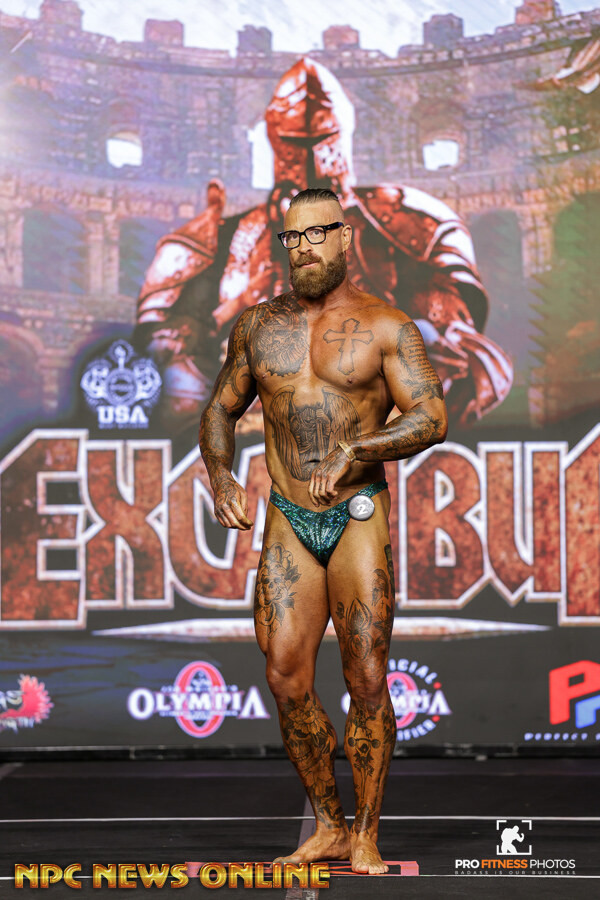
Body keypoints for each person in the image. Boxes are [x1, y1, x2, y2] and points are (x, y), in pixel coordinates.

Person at [199, 187, 448, 874]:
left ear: (346, 236)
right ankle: (329, 825)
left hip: (357, 510)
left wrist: (357, 449)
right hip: (288, 514)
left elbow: (431, 416)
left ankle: (366, 832)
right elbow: (220, 409)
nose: (304, 248)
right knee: (285, 677)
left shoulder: (387, 326)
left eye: (317, 234)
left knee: (366, 677)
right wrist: (222, 477)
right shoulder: (257, 326)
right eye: (292, 237)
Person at [138, 57, 510, 437]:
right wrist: (182, 334)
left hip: (369, 398)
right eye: (295, 143)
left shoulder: (404, 220)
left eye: (320, 140)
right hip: (258, 406)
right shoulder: (232, 234)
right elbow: (171, 337)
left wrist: (436, 330)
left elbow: (452, 326)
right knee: (179, 385)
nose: (310, 158)